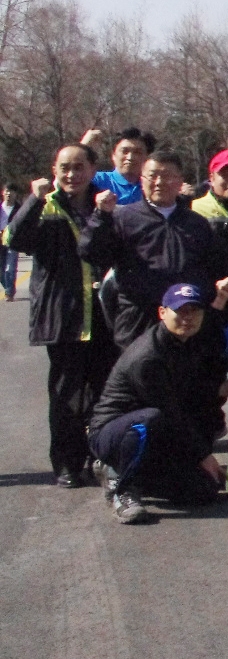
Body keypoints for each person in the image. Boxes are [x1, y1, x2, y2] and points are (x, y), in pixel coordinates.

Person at [7, 143, 118, 486]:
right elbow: (14, 239)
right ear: (54, 170)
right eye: (65, 168)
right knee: (66, 394)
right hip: (62, 312)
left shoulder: (106, 201)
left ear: (93, 169)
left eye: (79, 167)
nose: (72, 174)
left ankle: (101, 458)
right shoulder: (45, 204)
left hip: (102, 314)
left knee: (104, 391)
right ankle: (68, 464)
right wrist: (34, 200)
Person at [88, 280, 228, 523]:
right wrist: (203, 455)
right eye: (181, 311)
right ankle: (121, 487)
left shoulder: (189, 340)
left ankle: (139, 476)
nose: (188, 318)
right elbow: (170, 411)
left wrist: (220, 390)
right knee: (150, 419)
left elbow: (188, 396)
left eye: (194, 311)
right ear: (162, 312)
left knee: (204, 490)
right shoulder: (147, 357)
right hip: (115, 432)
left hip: (159, 432)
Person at [82, 151, 228, 348]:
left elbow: (216, 266)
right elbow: (90, 253)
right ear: (142, 180)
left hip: (188, 320)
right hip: (139, 321)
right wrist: (100, 216)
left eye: (167, 176)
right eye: (153, 176)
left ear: (180, 181)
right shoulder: (123, 218)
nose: (159, 182)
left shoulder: (197, 223)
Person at [88, 127, 155, 206]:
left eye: (137, 152)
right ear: (113, 155)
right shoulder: (97, 179)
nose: (130, 157)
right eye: (124, 151)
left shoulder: (154, 185)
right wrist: (85, 144)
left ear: (148, 157)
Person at [0, 183, 19, 300]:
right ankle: (9, 287)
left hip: (13, 242)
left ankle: (9, 292)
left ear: (16, 194)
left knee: (10, 268)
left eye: (11, 191)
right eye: (6, 191)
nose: (8, 194)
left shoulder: (19, 209)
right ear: (3, 192)